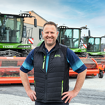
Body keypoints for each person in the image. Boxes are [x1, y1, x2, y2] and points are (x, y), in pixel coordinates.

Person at [20, 21, 87, 105]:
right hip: (40, 101)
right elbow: (23, 71)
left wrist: (75, 91)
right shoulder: (35, 52)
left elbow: (82, 70)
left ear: (57, 34)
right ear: (42, 33)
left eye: (52, 32)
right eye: (47, 32)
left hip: (60, 101)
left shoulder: (65, 51)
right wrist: (28, 90)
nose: (49, 35)